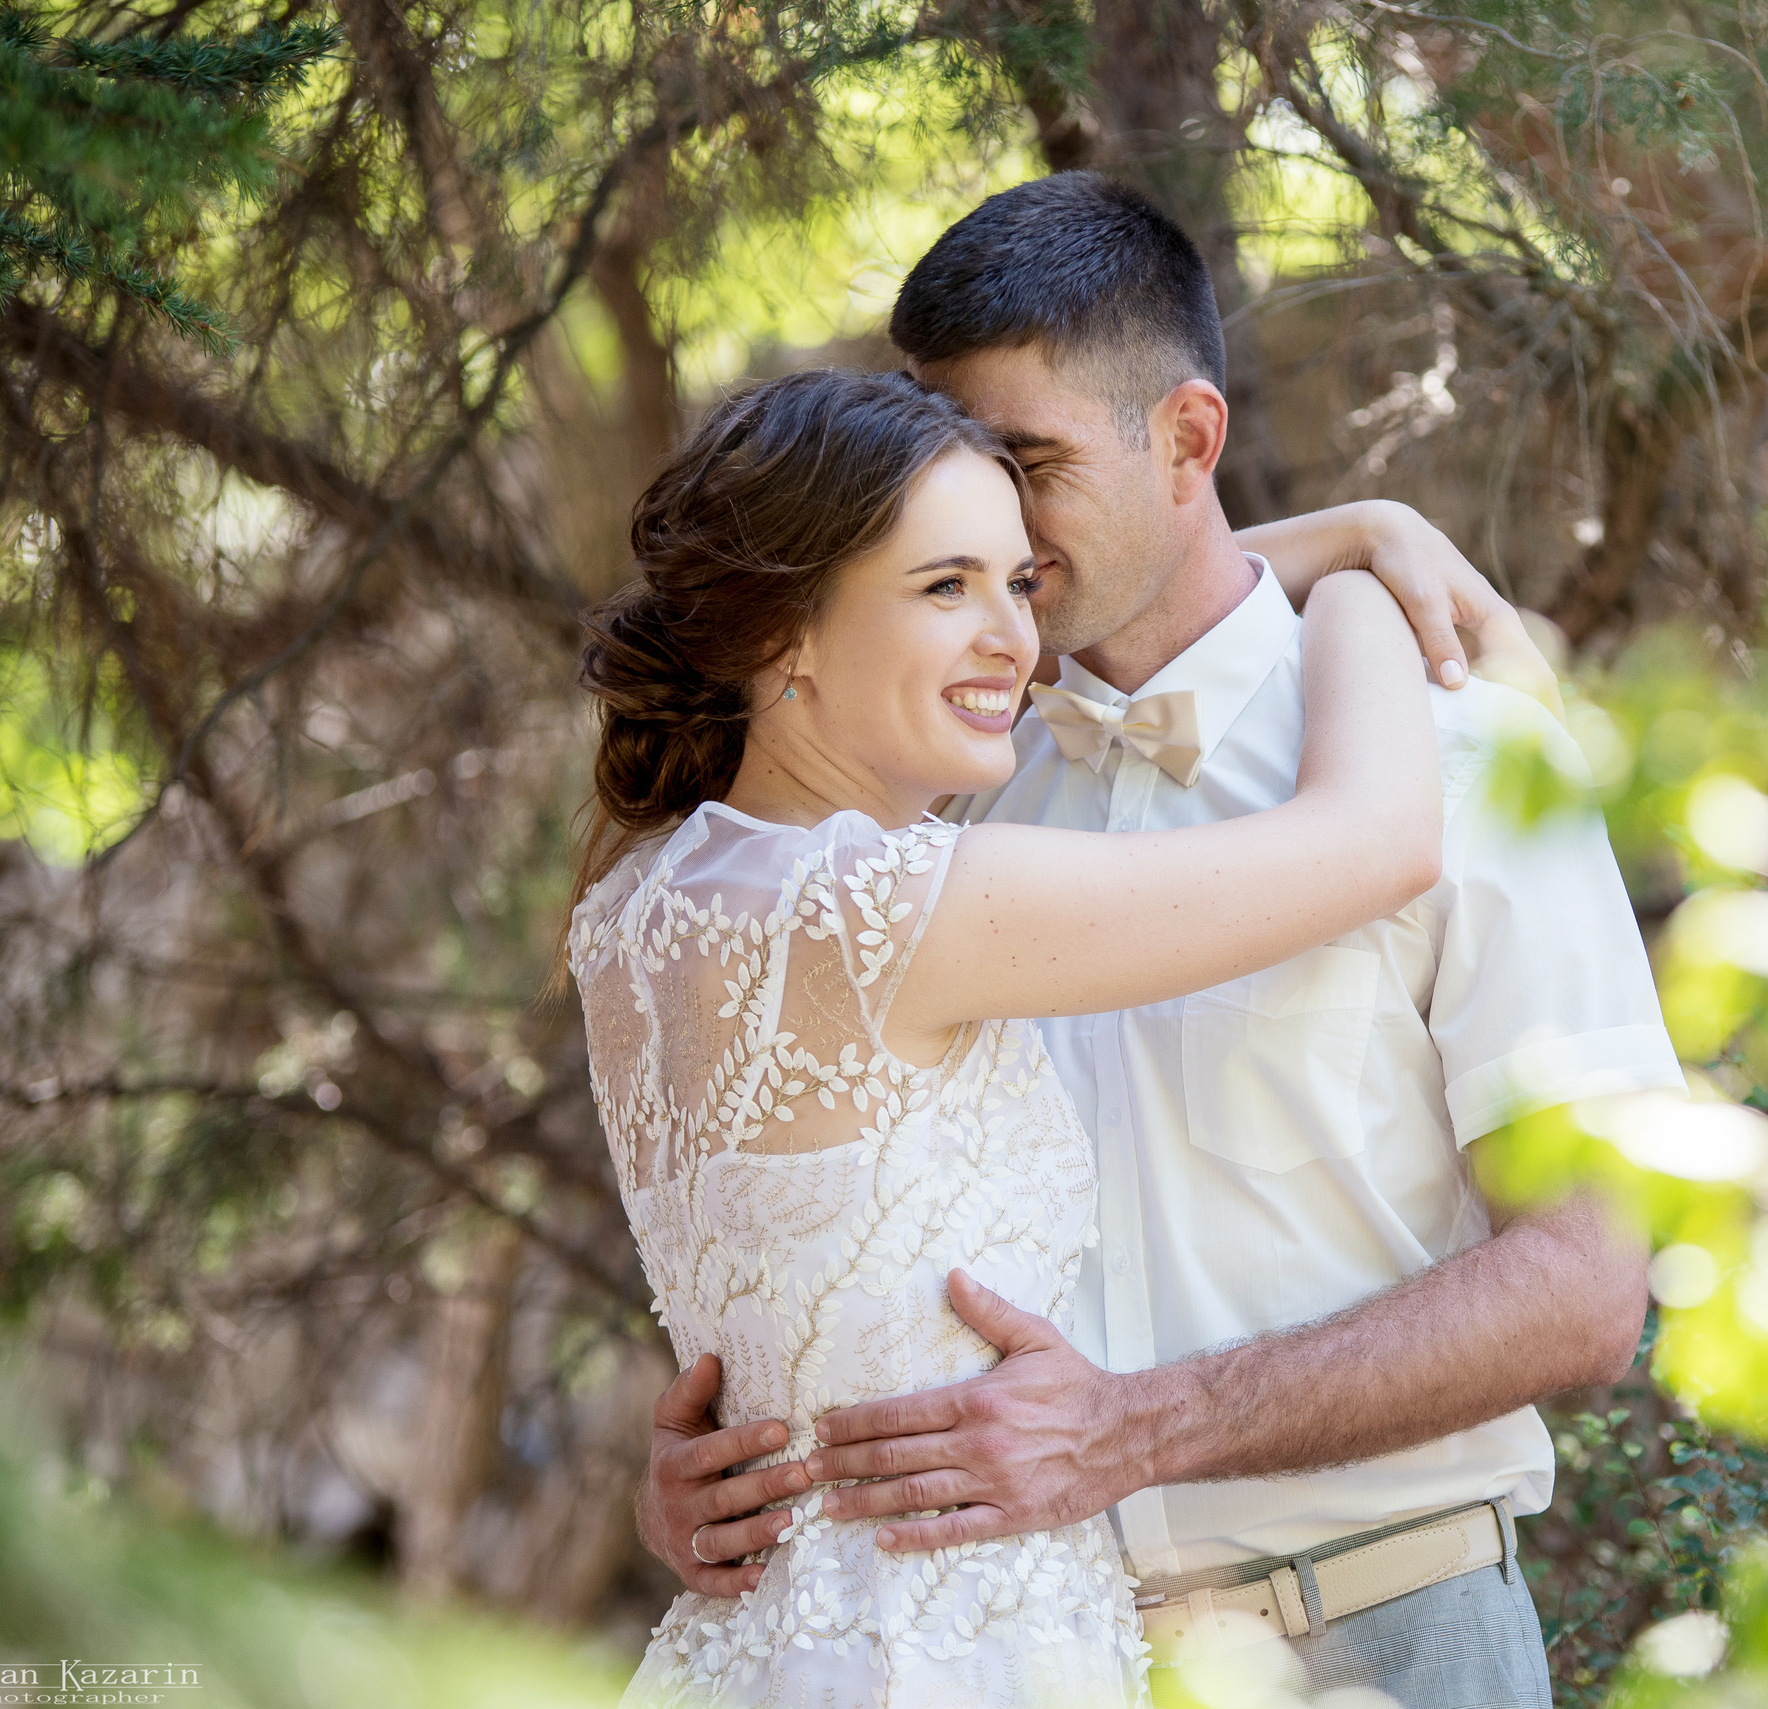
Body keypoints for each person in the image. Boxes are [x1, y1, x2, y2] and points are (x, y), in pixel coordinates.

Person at [635, 173, 1688, 1708]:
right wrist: (698, 1480)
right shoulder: (941, 802)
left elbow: (1589, 1283)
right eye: (957, 469)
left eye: (1030, 466)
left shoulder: (1459, 756)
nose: (987, 520)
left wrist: (1145, 1425)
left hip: (1382, 1639)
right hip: (1027, 1657)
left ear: (1187, 440)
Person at [570, 364, 1448, 1705]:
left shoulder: (640, 903)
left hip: (768, 1644)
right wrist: (1367, 577)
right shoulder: (903, 905)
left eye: (1019, 584)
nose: (1014, 640)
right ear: (785, 633)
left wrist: (1327, 532)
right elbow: (1378, 837)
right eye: (945, 588)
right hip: (956, 1652)